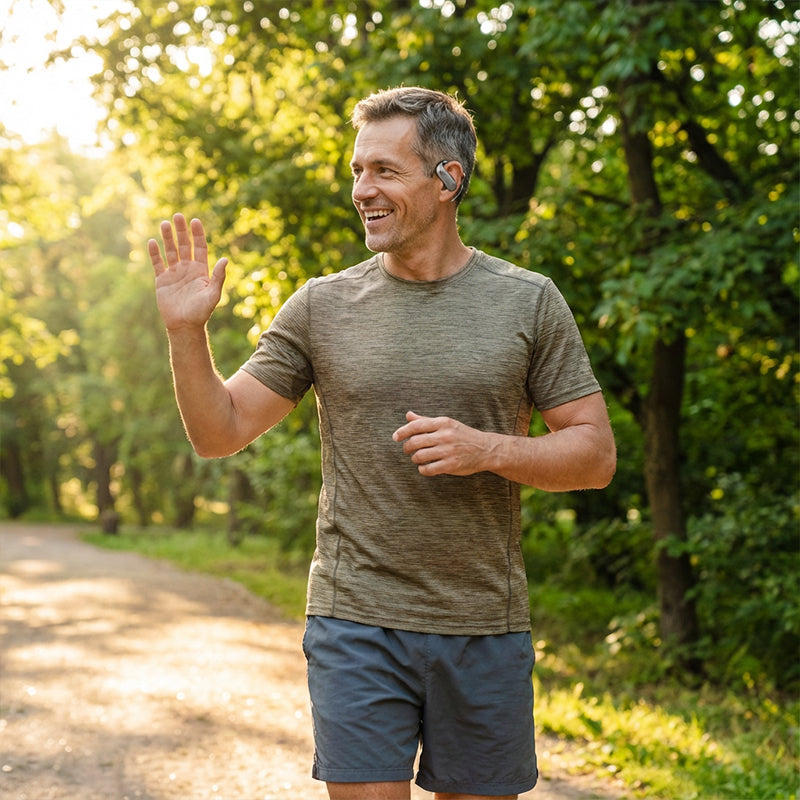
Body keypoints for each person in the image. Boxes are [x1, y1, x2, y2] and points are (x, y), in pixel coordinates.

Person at [148, 86, 616, 800]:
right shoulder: (321, 306)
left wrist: (487, 450)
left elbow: (594, 455)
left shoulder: (528, 301)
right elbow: (221, 432)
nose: (362, 190)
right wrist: (186, 333)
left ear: (448, 180)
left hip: (483, 623)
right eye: (357, 172)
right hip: (354, 616)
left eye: (384, 172)